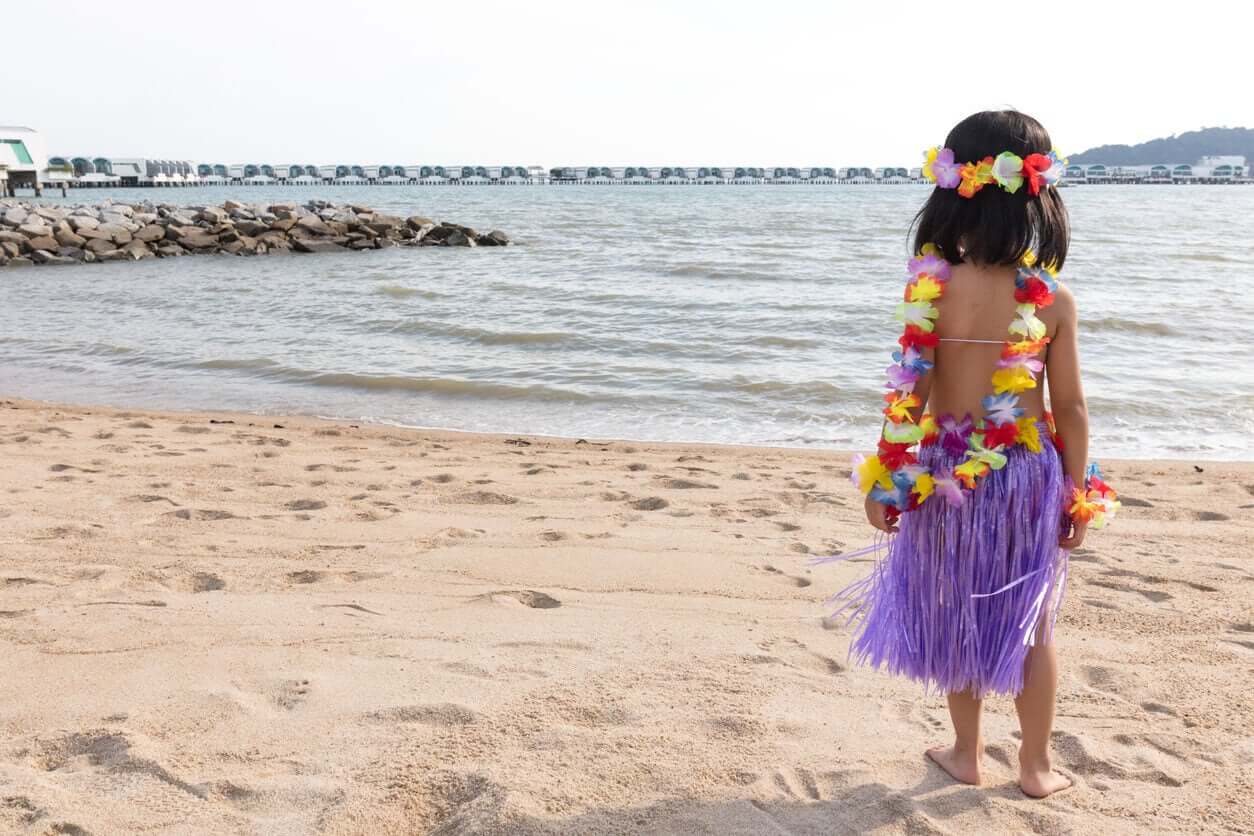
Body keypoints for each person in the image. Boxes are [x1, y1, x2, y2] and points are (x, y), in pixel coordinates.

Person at [816, 110, 1118, 799]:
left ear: (951, 194)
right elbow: (1069, 409)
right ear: (1039, 200)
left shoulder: (933, 292)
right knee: (1032, 623)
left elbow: (908, 401)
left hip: (946, 475)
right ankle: (1036, 768)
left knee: (954, 613)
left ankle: (965, 752)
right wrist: (1078, 493)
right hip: (1028, 477)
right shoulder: (1054, 300)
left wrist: (886, 483)